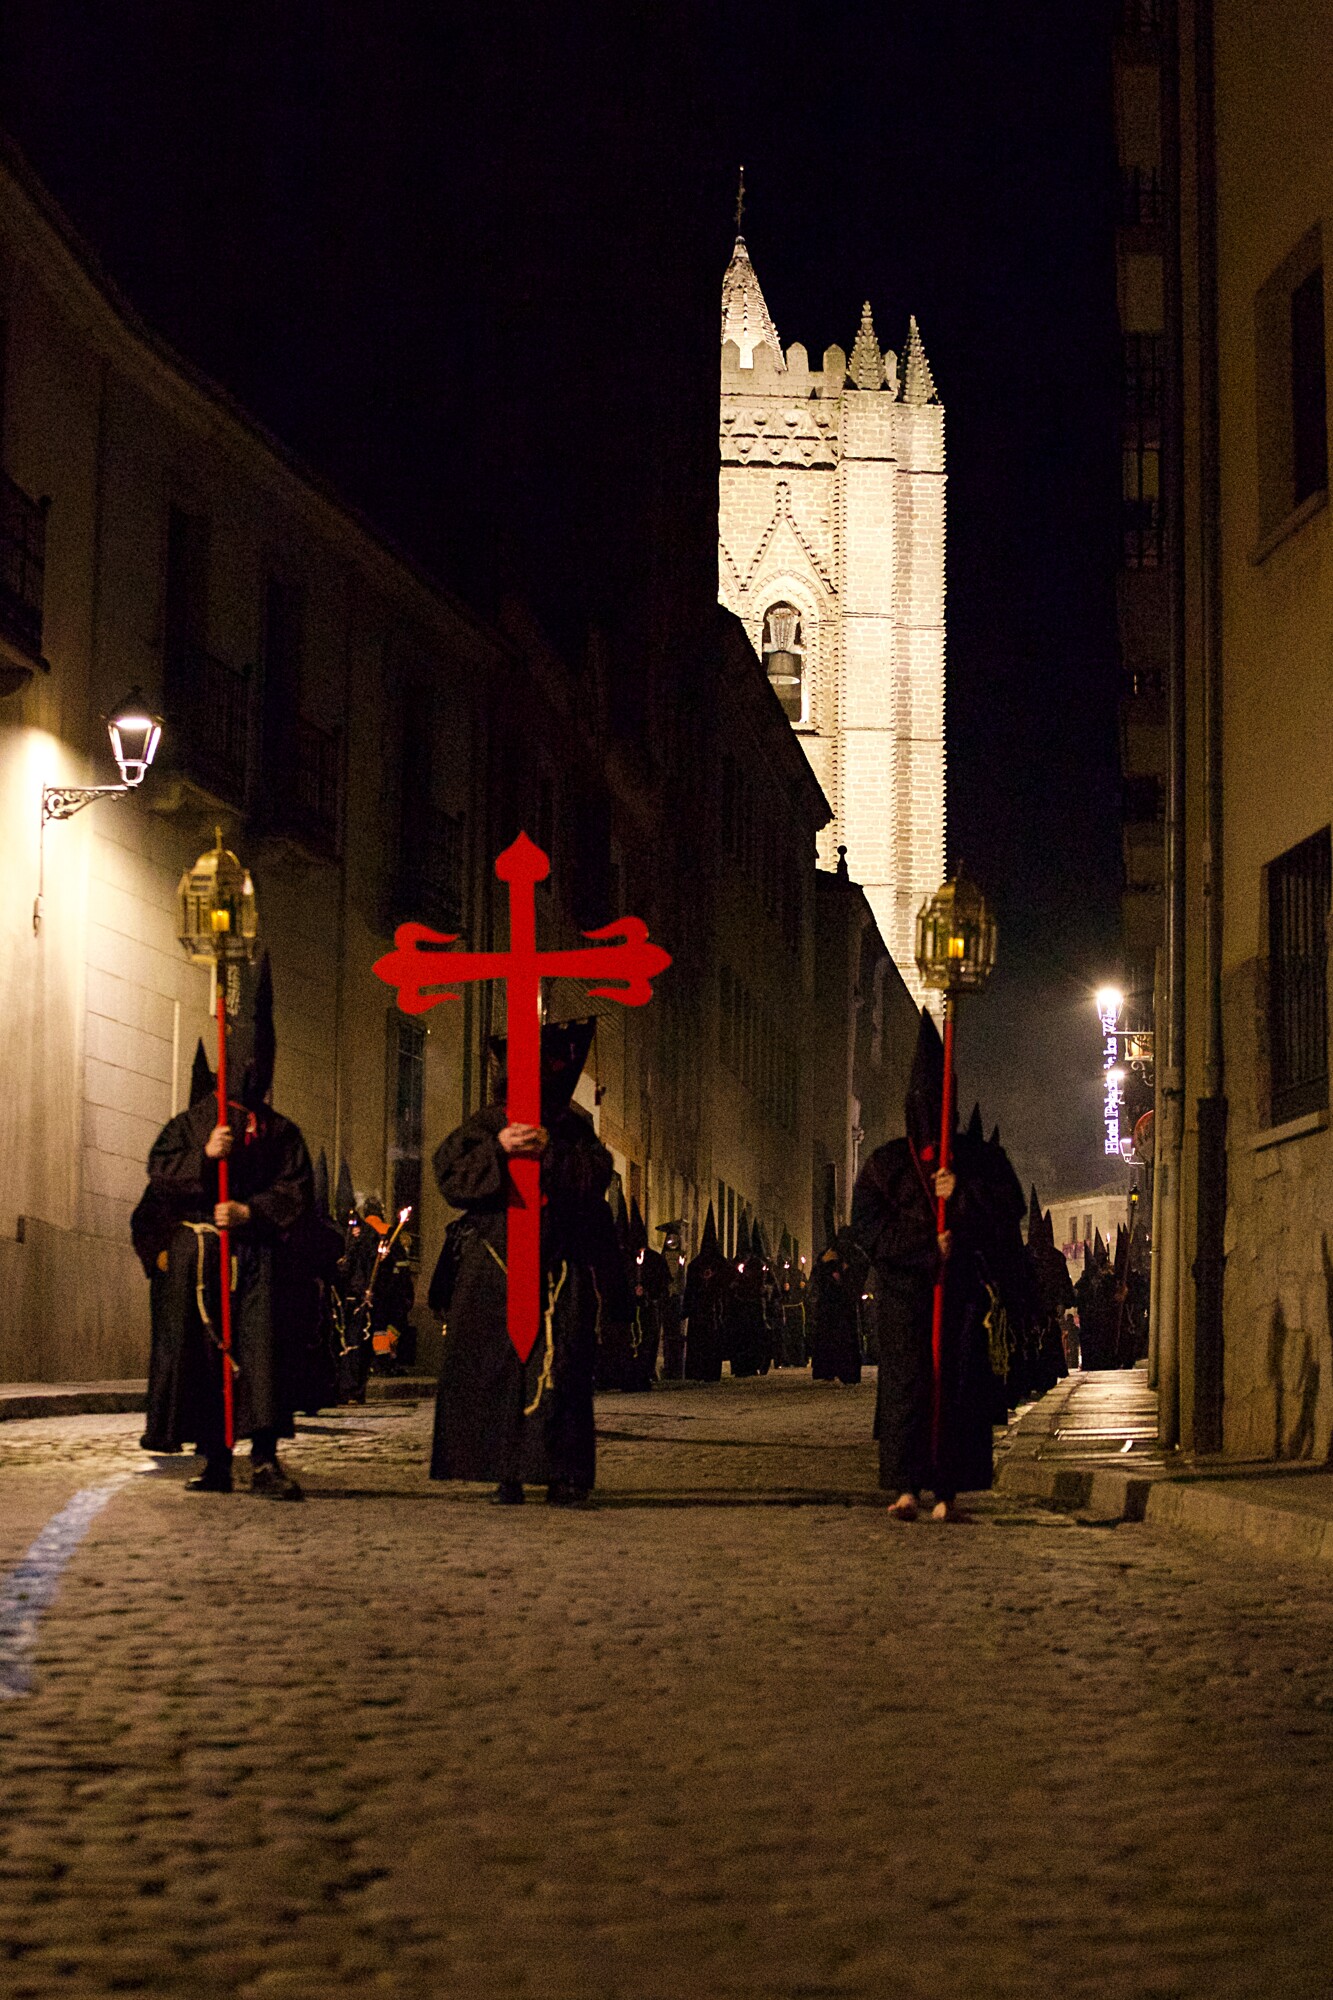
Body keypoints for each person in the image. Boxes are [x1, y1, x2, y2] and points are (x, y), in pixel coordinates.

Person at [134, 954, 313, 1499]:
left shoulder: (281, 1131)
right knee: (204, 1358)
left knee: (261, 1355)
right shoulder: (190, 1124)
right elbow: (161, 1177)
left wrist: (250, 1212)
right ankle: (213, 1458)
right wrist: (206, 1159)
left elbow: (297, 1191)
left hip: (258, 1264)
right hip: (202, 1264)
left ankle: (263, 1458)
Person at [429, 1020, 629, 1505]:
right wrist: (500, 1149)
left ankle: (562, 1473)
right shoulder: (484, 1126)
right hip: (495, 1266)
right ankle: (505, 1470)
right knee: (497, 1368)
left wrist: (550, 1151)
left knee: (561, 1370)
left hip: (561, 1267)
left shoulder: (573, 1129)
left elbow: (595, 1174)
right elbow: (452, 1177)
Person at [851, 1011, 996, 1523]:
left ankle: (948, 1491)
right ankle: (907, 1486)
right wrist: (924, 1242)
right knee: (907, 1388)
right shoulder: (885, 1164)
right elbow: (868, 1230)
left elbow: (997, 1224)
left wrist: (960, 1203)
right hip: (903, 1295)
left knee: (953, 1388)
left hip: (955, 1295)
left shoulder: (974, 1161)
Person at [807, 1228, 865, 1384]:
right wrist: (826, 1266)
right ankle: (829, 1370)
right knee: (830, 1338)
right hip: (830, 1304)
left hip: (845, 1304)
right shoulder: (828, 1254)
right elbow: (818, 1277)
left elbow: (859, 1275)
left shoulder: (855, 1254)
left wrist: (846, 1273)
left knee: (845, 1339)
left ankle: (846, 1372)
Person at [682, 1204, 729, 1380]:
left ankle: (706, 1372)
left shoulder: (720, 1265)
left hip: (712, 1310)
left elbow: (726, 1286)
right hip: (701, 1310)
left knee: (710, 1342)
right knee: (701, 1342)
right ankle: (700, 1371)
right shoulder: (696, 1265)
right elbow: (690, 1287)